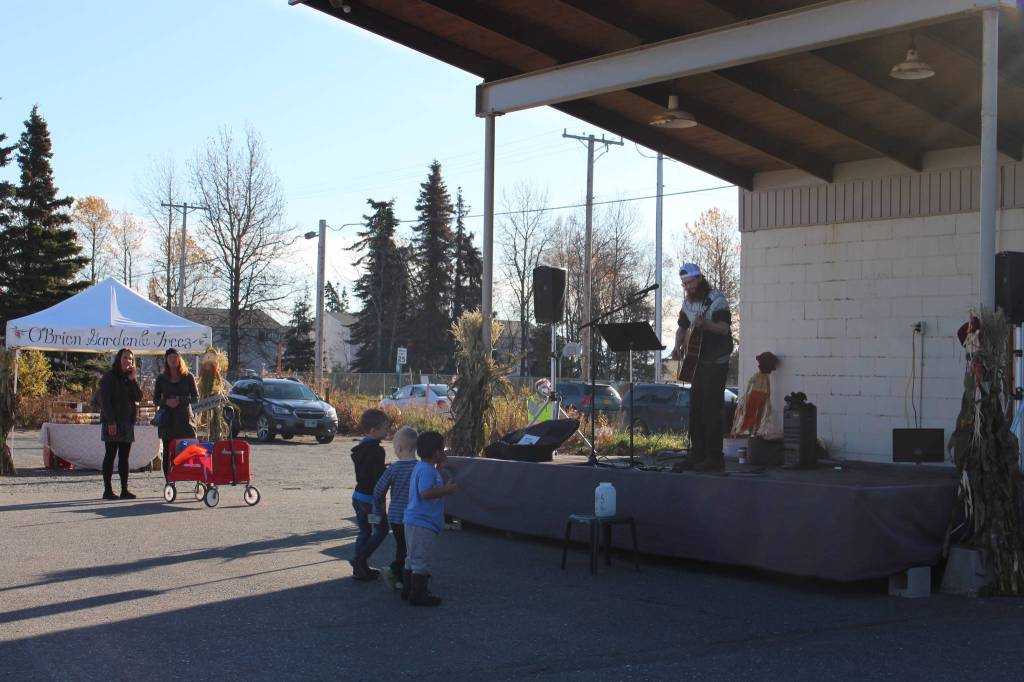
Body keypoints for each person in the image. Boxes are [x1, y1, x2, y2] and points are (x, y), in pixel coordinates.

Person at [672, 263, 734, 472]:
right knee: (696, 408)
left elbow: (724, 329)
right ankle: (696, 455)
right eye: (684, 284)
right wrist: (678, 346)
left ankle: (714, 458)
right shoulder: (687, 303)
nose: (687, 287)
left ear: (699, 279)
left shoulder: (716, 301)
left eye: (690, 282)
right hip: (696, 361)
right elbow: (681, 328)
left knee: (711, 409)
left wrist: (706, 325)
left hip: (716, 361)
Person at [403, 430, 458, 606]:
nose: (444, 452)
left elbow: (432, 484)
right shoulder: (427, 471)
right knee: (421, 558)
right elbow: (426, 492)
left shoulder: (423, 467)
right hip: (422, 522)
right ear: (436, 452)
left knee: (412, 557)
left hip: (415, 520)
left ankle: (407, 589)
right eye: (442, 449)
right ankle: (418, 594)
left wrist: (440, 468)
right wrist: (446, 491)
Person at [371, 425, 418, 594]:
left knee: (402, 547)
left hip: (396, 517)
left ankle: (400, 576)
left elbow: (378, 491)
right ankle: (397, 572)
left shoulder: (394, 468)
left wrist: (378, 511)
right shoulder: (420, 468)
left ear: (398, 448)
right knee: (410, 549)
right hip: (414, 518)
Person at [350, 408, 390, 581]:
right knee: (381, 530)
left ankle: (360, 568)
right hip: (371, 500)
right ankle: (360, 559)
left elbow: (366, 471)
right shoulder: (377, 451)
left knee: (364, 531)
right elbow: (377, 478)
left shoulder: (360, 448)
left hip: (358, 496)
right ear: (374, 430)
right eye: (385, 428)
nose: (387, 431)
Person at [98, 348, 143, 500]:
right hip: (112, 422)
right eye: (125, 358)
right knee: (110, 455)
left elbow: (138, 397)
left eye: (130, 359)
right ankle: (107, 490)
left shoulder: (128, 379)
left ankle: (124, 489)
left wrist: (133, 380)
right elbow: (105, 402)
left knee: (124, 458)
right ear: (119, 359)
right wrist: (111, 421)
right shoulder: (109, 377)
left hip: (126, 422)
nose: (128, 361)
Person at [153, 348, 198, 479]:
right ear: (166, 360)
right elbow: (156, 400)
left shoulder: (188, 376)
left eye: (175, 357)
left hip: (185, 420)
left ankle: (188, 476)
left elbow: (196, 397)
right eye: (170, 357)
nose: (173, 360)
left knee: (186, 450)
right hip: (168, 421)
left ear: (179, 359)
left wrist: (180, 400)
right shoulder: (161, 378)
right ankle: (169, 480)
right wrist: (166, 402)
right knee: (167, 452)